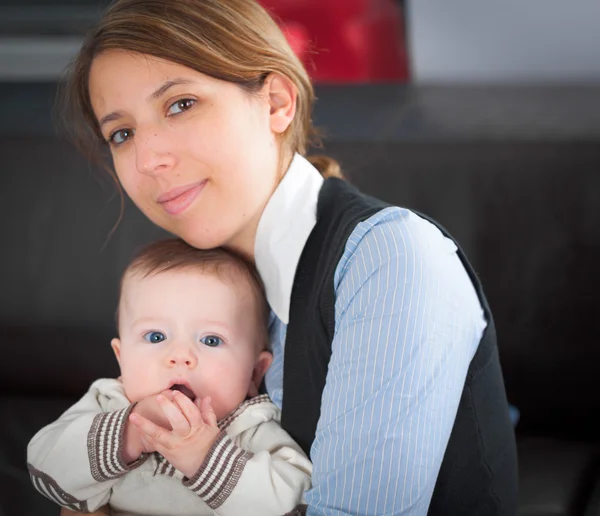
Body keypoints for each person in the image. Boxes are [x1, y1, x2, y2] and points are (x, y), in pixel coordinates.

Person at [55, 0, 518, 514]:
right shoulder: (190, 283)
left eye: (181, 104)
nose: (147, 159)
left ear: (276, 102)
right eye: (121, 133)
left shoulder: (390, 258)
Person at [27, 239, 312, 516]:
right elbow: (44, 471)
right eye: (156, 336)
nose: (179, 356)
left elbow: (298, 505)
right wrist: (130, 435)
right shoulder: (108, 403)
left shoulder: (253, 426)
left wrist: (206, 458)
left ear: (254, 372)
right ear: (121, 357)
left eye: (211, 340)